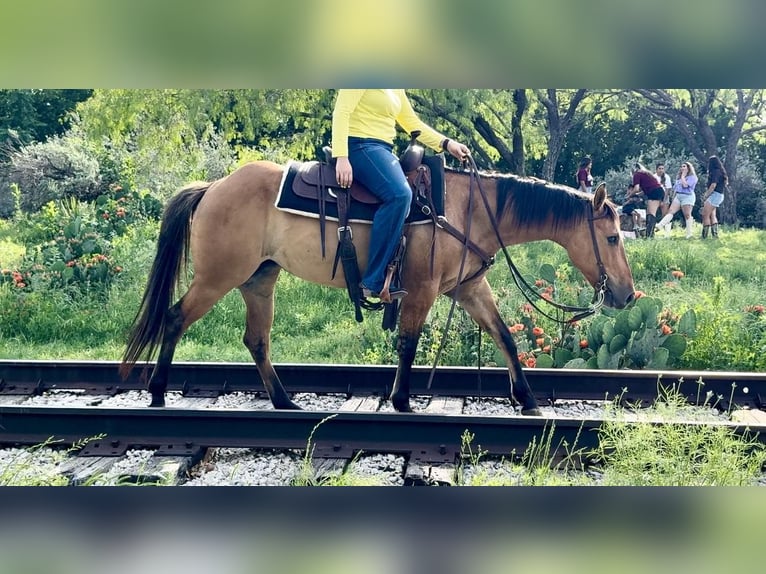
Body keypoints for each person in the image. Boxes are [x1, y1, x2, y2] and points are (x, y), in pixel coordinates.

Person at [332, 89, 470, 301]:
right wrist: (341, 156)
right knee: (399, 195)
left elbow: (411, 122)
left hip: (383, 149)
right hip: (359, 145)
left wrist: (446, 143)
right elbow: (341, 111)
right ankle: (374, 279)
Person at [655, 161, 698, 238]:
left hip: (687, 196)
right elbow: (676, 188)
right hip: (678, 196)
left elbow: (685, 185)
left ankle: (689, 233)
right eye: (681, 166)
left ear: (688, 168)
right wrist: (673, 196)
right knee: (671, 211)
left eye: (684, 166)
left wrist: (683, 176)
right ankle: (660, 225)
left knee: (687, 214)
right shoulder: (678, 177)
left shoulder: (692, 177)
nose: (682, 168)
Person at [629, 162, 665, 238]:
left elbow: (636, 188)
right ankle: (649, 234)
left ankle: (650, 235)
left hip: (654, 193)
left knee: (651, 213)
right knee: (649, 213)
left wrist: (630, 195)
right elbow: (645, 190)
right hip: (658, 191)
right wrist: (637, 195)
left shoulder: (637, 175)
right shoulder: (647, 174)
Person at [701, 155, 728, 239]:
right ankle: (715, 235)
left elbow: (713, 185)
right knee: (712, 215)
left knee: (705, 215)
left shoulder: (715, 172)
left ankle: (704, 236)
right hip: (719, 195)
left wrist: (706, 195)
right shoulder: (721, 172)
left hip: (715, 195)